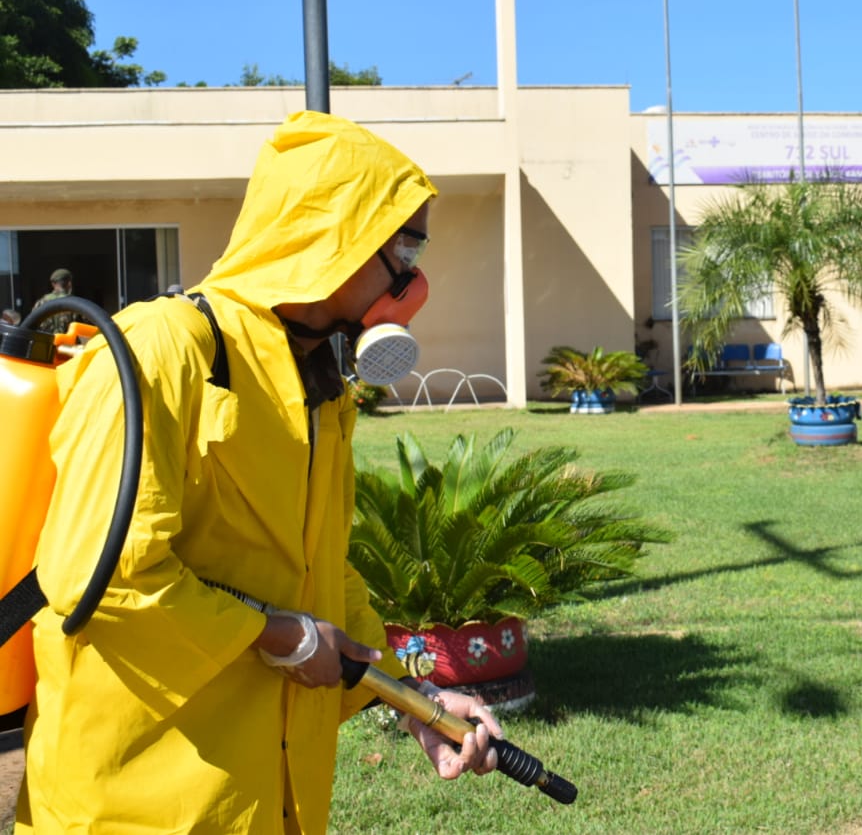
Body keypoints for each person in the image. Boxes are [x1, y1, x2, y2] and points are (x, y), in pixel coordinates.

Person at [16, 111, 501, 833]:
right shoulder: (164, 352)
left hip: (268, 803)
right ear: (332, 236)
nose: (414, 273)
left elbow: (321, 577)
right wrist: (275, 635)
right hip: (129, 805)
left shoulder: (320, 388)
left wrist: (414, 701)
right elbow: (101, 577)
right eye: (404, 243)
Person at [30, 268, 74, 334]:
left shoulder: (41, 302)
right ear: (69, 283)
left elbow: (31, 322)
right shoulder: (74, 303)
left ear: (53, 284)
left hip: (46, 342)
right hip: (67, 343)